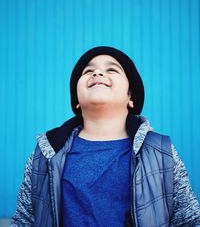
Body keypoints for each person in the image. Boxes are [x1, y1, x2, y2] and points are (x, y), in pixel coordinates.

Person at [11, 46, 200, 227]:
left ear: (130, 98)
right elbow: (24, 221)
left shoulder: (160, 152)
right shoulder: (47, 152)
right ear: (76, 101)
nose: (97, 73)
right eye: (88, 71)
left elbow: (189, 220)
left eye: (112, 70)